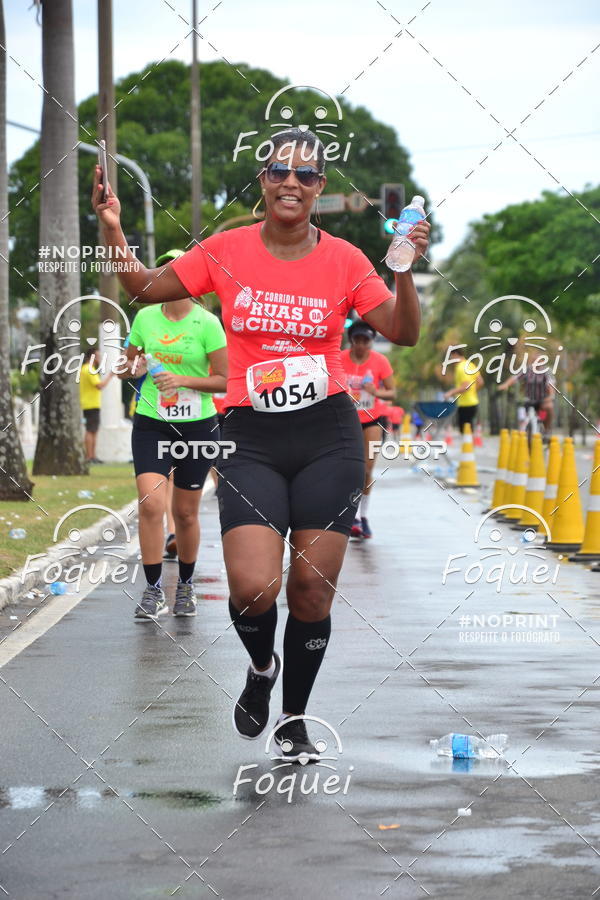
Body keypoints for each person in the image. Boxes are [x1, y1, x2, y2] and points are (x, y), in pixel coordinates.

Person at [92, 127, 429, 760]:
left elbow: (404, 332)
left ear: (320, 187)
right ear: (264, 181)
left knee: (310, 590)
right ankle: (260, 667)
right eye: (278, 171)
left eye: (305, 175)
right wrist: (113, 228)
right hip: (248, 436)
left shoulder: (348, 261)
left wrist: (403, 270)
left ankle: (294, 718)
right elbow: (141, 287)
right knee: (251, 589)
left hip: (329, 435)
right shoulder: (223, 251)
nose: (291, 182)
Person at [117, 249, 228, 620]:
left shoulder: (208, 324)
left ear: (192, 280)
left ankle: (185, 586)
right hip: (152, 421)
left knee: (185, 513)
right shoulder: (145, 317)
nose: (168, 272)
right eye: (164, 267)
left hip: (197, 426)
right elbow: (131, 365)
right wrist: (126, 367)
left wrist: (182, 380)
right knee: (150, 505)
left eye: (176, 268)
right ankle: (152, 591)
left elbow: (223, 380)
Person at [341, 320, 395, 539]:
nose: (362, 345)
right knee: (347, 470)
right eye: (358, 340)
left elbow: (392, 393)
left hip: (372, 419)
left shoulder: (380, 361)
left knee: (366, 469)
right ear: (351, 340)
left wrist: (375, 392)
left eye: (366, 340)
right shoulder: (339, 359)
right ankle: (349, 516)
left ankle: (363, 517)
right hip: (346, 419)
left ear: (371, 342)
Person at [498, 348, 554, 435]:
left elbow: (551, 385)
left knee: (548, 408)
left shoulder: (547, 371)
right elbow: (515, 377)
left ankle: (547, 430)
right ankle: (524, 431)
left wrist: (550, 397)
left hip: (542, 401)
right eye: (534, 360)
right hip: (528, 400)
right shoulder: (527, 370)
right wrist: (506, 384)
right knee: (523, 414)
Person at [79, 348, 113, 463]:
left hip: (90, 404)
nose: (99, 358)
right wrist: (111, 375)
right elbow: (99, 385)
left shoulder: (86, 369)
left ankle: (92, 455)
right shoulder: (89, 369)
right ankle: (89, 456)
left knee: (93, 430)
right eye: (98, 356)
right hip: (91, 404)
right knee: (90, 430)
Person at [443, 346, 483, 433]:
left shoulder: (460, 368)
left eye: (450, 357)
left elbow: (465, 386)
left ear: (455, 355)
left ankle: (468, 446)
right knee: (469, 430)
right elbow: (480, 382)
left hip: (465, 404)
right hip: (473, 402)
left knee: (465, 431)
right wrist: (473, 391)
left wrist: (450, 392)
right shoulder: (471, 365)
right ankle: (470, 445)